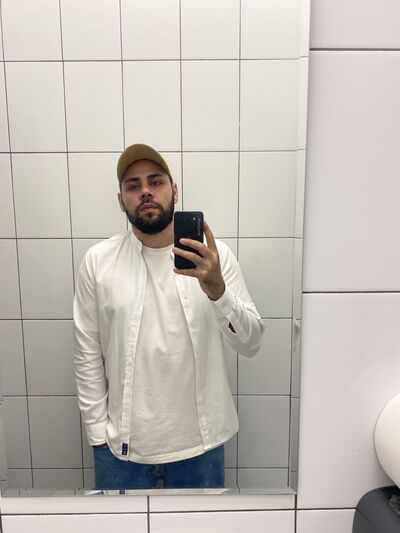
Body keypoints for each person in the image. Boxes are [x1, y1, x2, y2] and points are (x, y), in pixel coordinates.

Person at [73, 143, 265, 490]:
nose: (145, 191)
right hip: (121, 451)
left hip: (202, 447)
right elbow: (87, 354)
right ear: (121, 200)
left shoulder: (214, 257)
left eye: (156, 181)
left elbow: (251, 343)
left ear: (174, 191)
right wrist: (98, 436)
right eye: (133, 186)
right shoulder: (98, 262)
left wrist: (218, 291)